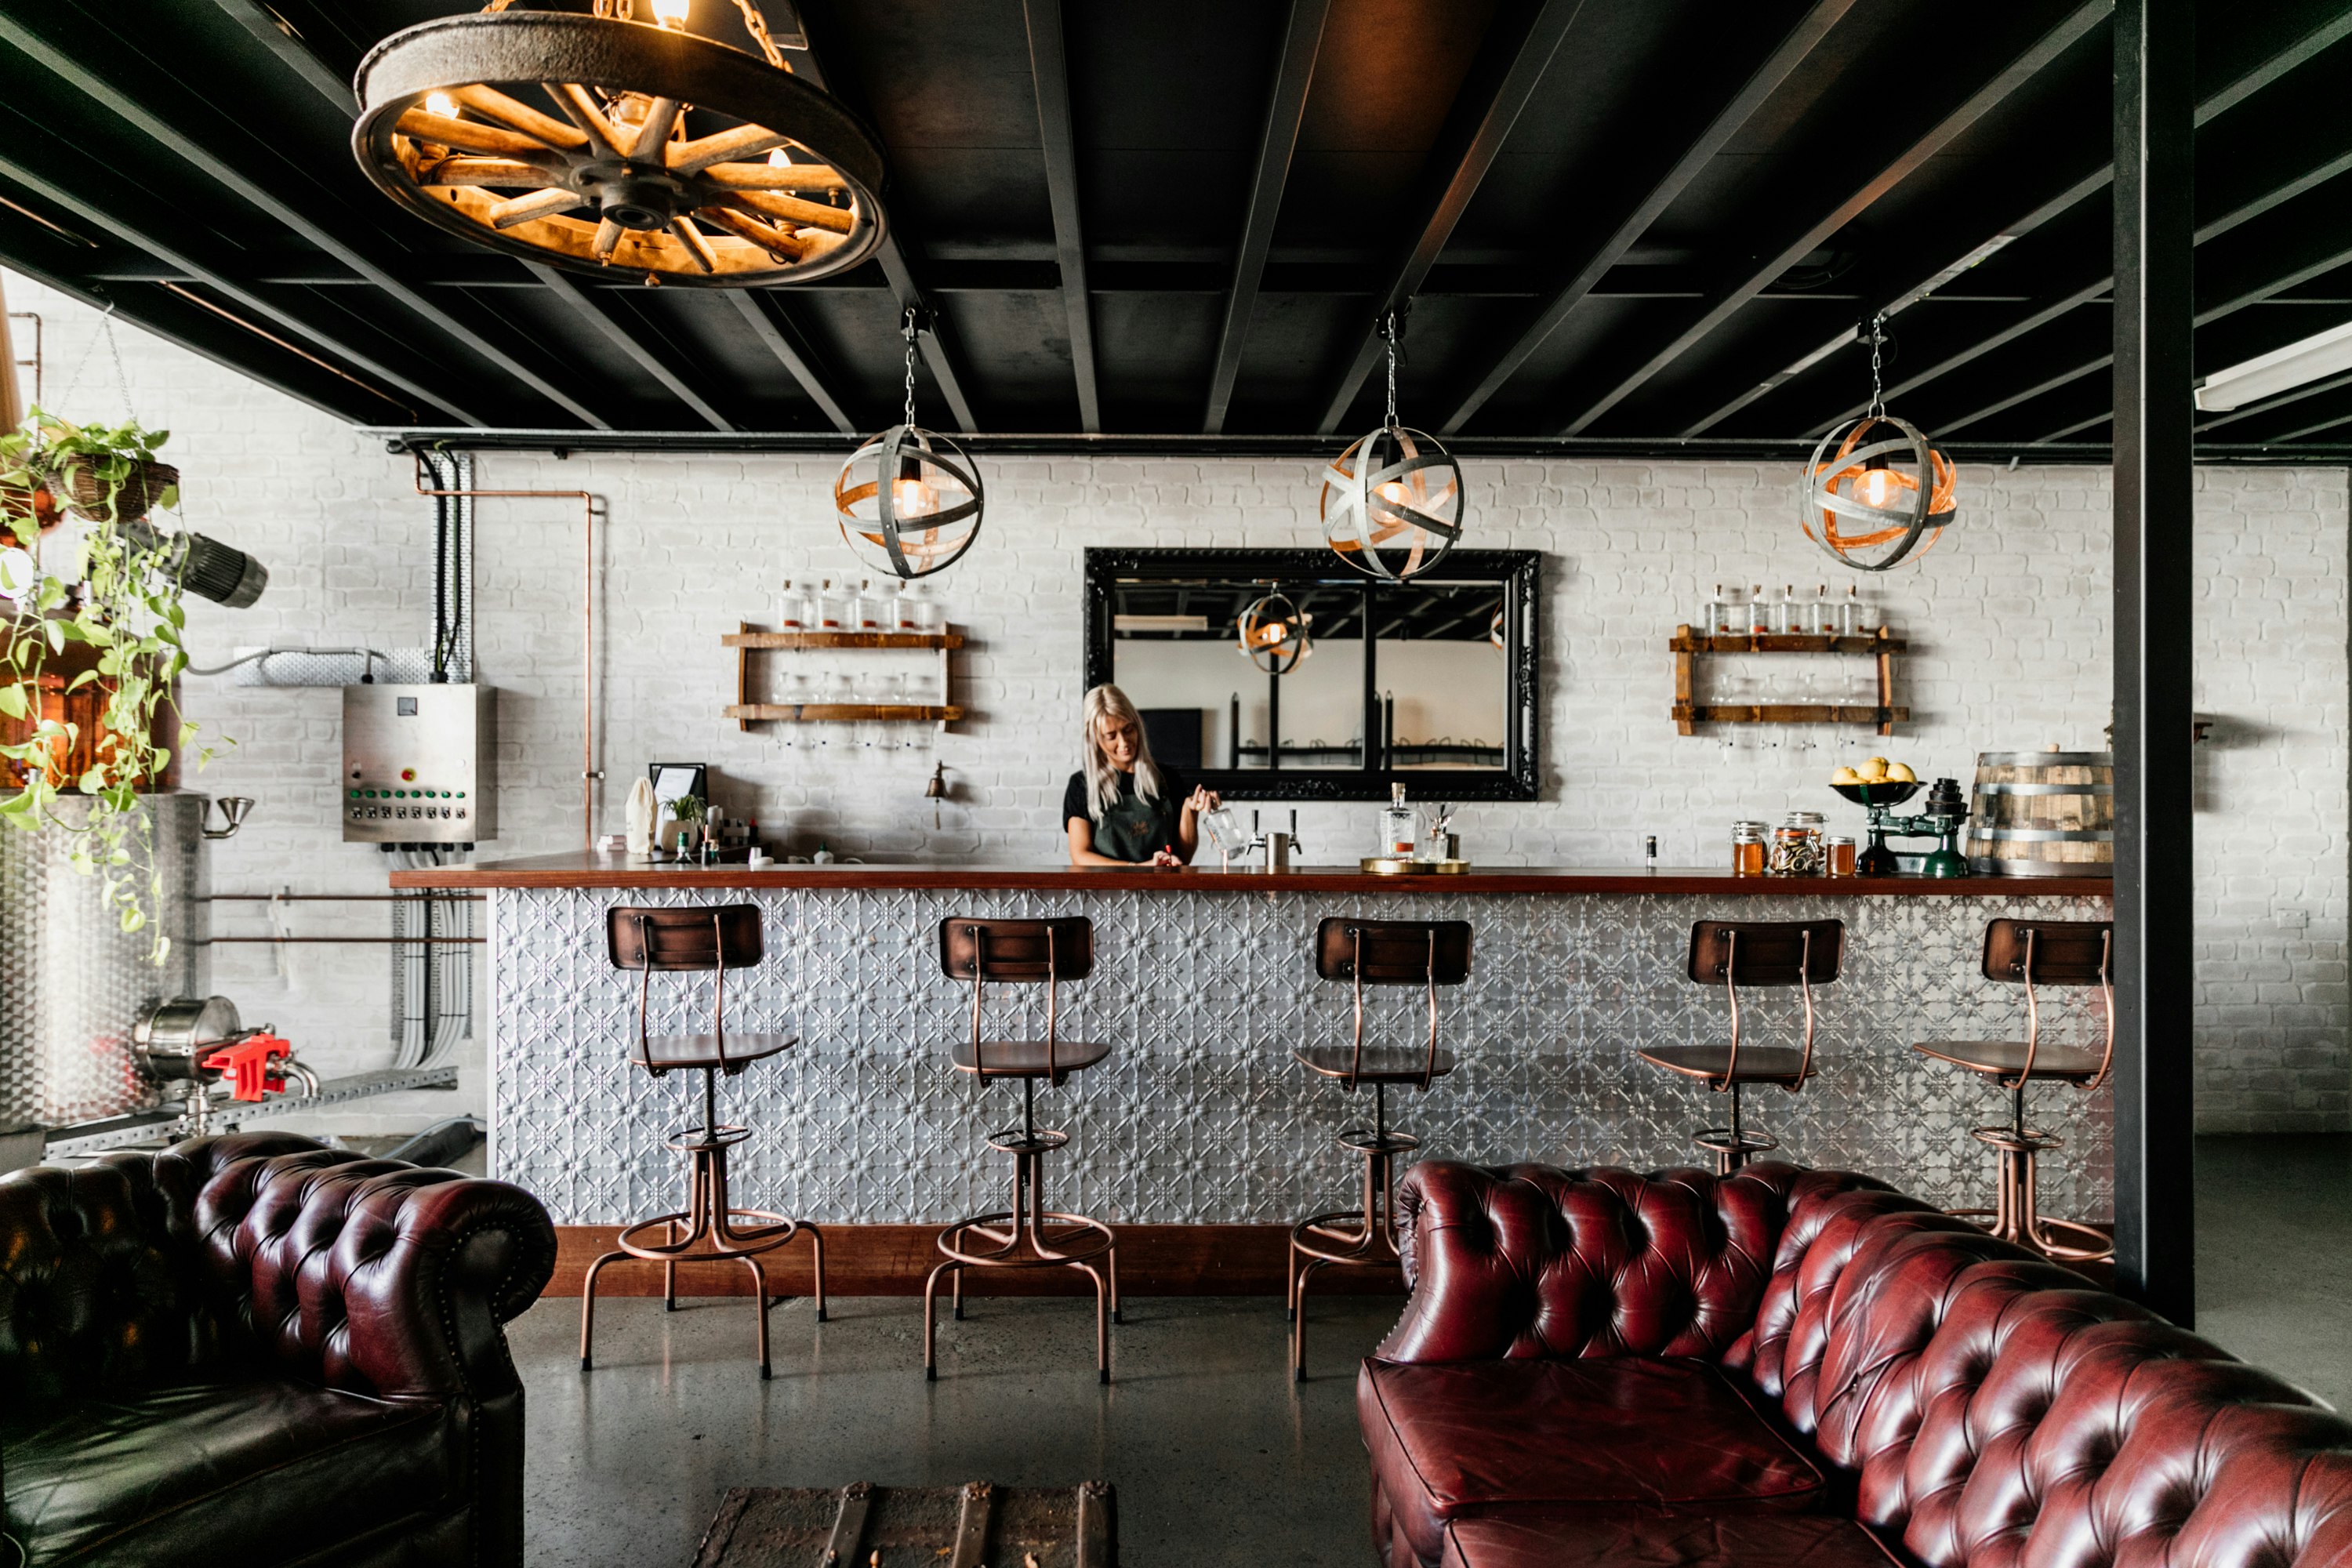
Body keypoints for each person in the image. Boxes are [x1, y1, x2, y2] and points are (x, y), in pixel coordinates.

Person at [1065, 684, 1221, 866]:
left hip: (1163, 891)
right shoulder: (1081, 785)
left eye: (1128, 729)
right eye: (1111, 736)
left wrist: (1190, 810)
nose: (1124, 742)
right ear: (1096, 739)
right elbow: (1080, 856)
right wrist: (1137, 869)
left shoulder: (1167, 778)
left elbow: (1183, 857)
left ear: (1137, 725)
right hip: (1106, 892)